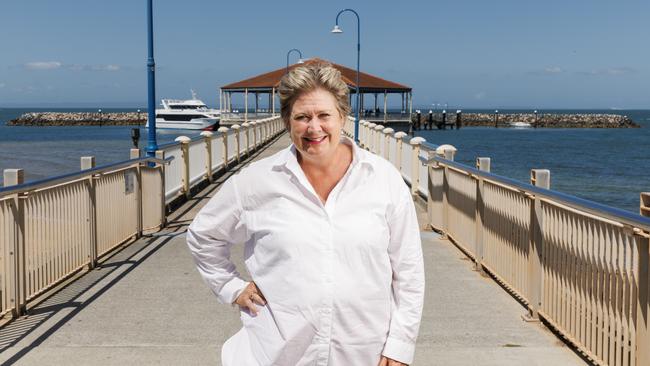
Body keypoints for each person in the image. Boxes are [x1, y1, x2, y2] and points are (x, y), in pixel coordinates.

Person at [187, 61, 425, 366]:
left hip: (363, 354)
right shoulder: (255, 182)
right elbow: (203, 235)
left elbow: (409, 272)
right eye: (302, 117)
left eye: (324, 115)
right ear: (287, 122)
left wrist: (400, 346)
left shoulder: (383, 180)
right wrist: (231, 287)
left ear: (343, 116)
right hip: (277, 354)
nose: (314, 128)